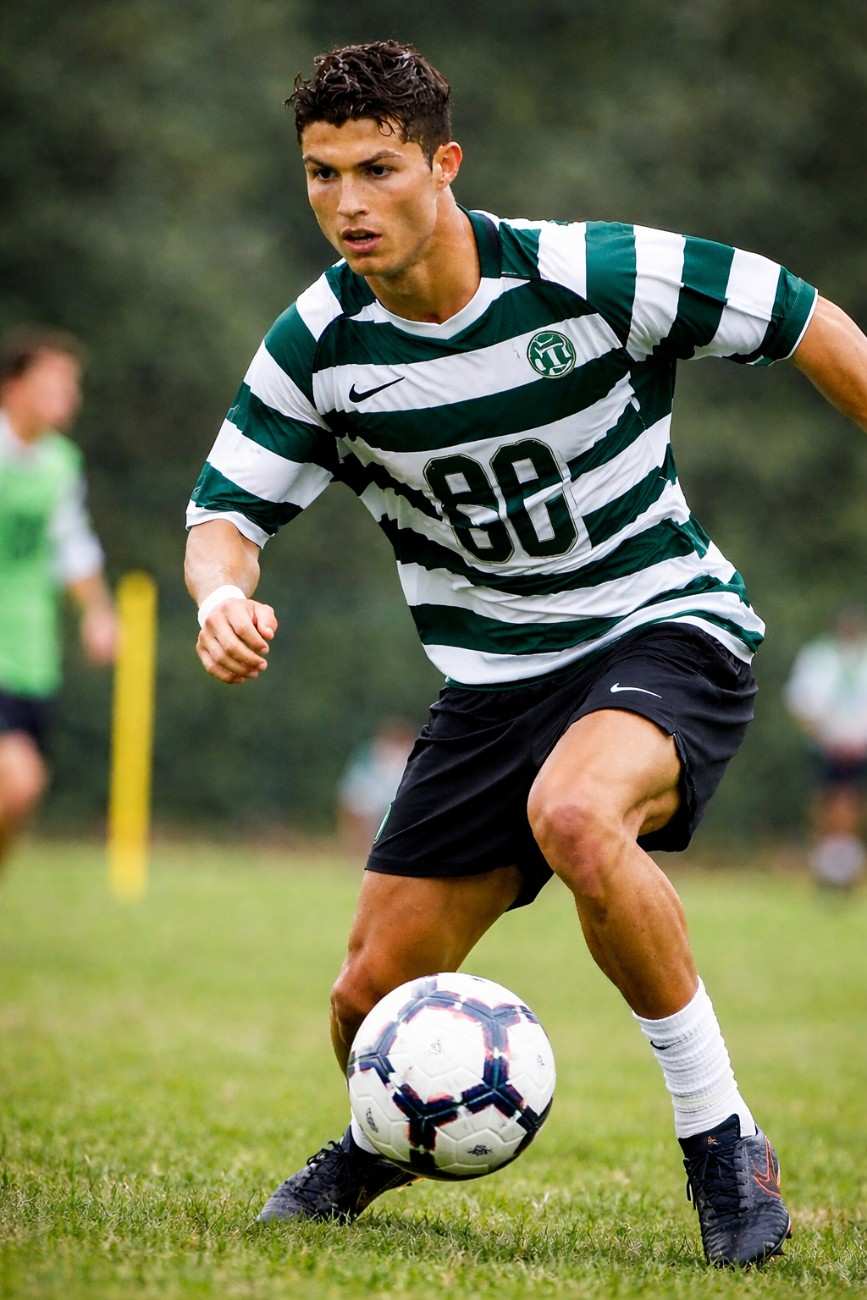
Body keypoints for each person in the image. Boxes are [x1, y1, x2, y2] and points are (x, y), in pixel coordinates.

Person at [184, 41, 867, 1267]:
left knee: (577, 812)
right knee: (363, 1005)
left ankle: (724, 1144)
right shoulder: (319, 346)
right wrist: (218, 597)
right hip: (493, 680)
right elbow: (225, 514)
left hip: (664, 623)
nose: (347, 202)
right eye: (320, 174)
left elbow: (804, 316)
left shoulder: (590, 271)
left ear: (444, 165)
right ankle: (388, 1134)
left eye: (378, 169)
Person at [0, 326, 116, 867]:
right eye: (56, 382)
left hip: (28, 654)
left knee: (22, 795)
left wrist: (96, 612)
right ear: (14, 386)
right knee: (18, 782)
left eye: (73, 385)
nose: (70, 395)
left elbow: (73, 547)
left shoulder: (58, 464)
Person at [785, 607, 867, 889]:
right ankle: (826, 868)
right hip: (826, 747)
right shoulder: (819, 656)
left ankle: (848, 869)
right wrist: (822, 737)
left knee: (853, 809)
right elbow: (801, 703)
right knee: (826, 808)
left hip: (860, 748)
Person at [337, 717, 416, 856]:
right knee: (358, 809)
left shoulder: (412, 754)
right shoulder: (369, 753)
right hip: (373, 801)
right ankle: (359, 853)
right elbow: (354, 786)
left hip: (398, 801)